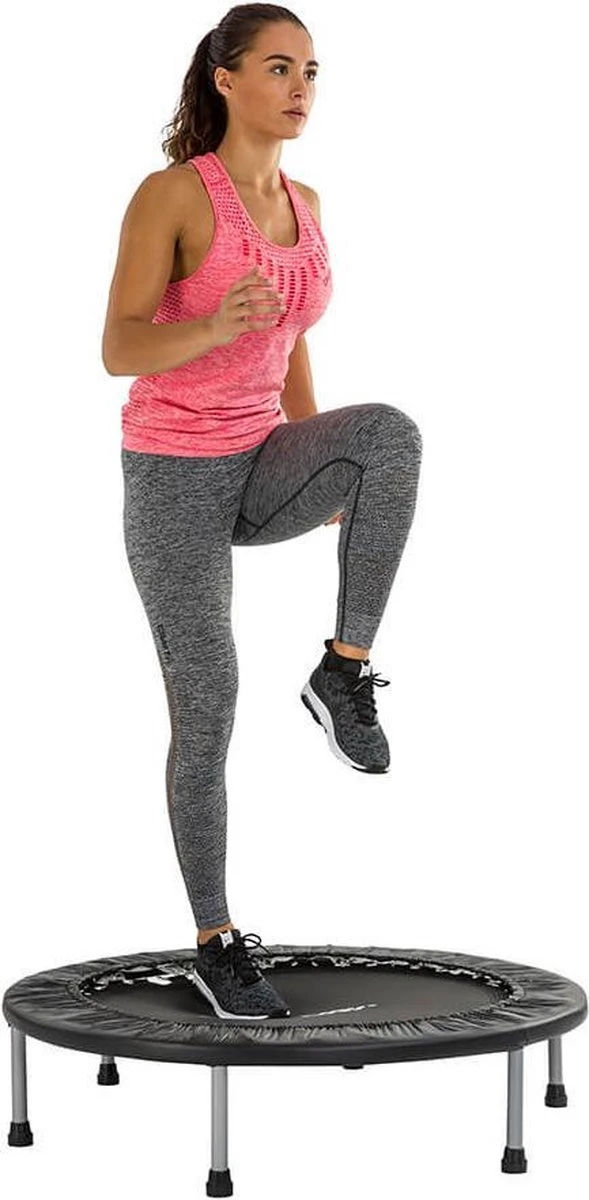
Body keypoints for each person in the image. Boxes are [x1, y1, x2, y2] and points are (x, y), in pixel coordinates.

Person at [101, 3, 423, 1021]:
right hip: (174, 479)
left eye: (312, 71)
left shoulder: (305, 202)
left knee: (389, 436)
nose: (300, 88)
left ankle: (343, 671)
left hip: (263, 459)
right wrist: (208, 327)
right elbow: (118, 347)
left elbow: (288, 340)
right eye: (279, 67)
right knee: (209, 708)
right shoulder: (171, 195)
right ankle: (215, 940)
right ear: (226, 78)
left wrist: (323, 457)